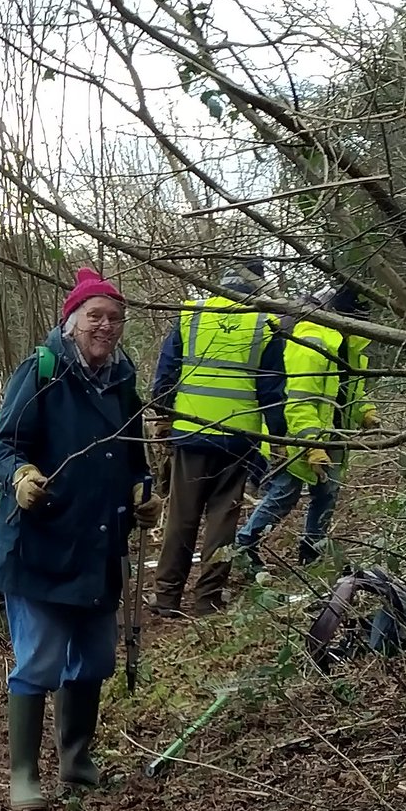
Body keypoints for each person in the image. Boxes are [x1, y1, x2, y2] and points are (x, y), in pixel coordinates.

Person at [0, 267, 160, 811]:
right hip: (40, 545)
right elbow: (2, 448)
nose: (105, 326)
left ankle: (77, 764)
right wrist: (20, 478)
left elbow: (136, 463)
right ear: (72, 320)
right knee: (38, 660)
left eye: (114, 318)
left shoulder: (123, 384)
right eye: (95, 317)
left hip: (100, 545)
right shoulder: (41, 373)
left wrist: (143, 495)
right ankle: (22, 777)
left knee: (94, 658)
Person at [149, 258, 287, 616]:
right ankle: (208, 599)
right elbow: (271, 390)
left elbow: (165, 374)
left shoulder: (191, 314)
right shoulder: (264, 323)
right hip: (238, 438)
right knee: (222, 520)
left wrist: (164, 416)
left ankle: (166, 598)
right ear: (258, 282)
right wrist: (280, 438)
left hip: (191, 433)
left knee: (182, 517)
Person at [234, 284, 379, 569]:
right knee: (283, 495)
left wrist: (366, 412)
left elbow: (348, 391)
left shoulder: (348, 347)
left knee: (327, 495)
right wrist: (311, 444)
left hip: (334, 435)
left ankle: (312, 552)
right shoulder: (311, 342)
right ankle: (245, 545)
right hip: (297, 435)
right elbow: (298, 402)